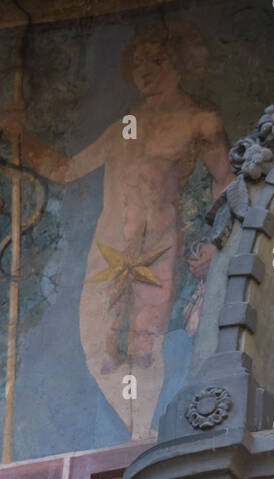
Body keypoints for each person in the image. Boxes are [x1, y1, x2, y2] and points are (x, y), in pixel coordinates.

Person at [1, 24, 231, 438]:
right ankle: (131, 429)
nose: (145, 71)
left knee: (146, 341)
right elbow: (67, 170)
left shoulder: (200, 119)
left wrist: (221, 242)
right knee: (100, 346)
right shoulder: (128, 122)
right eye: (138, 63)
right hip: (108, 247)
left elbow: (225, 181)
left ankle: (144, 431)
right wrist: (22, 138)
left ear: (178, 63)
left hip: (158, 245)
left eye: (156, 61)